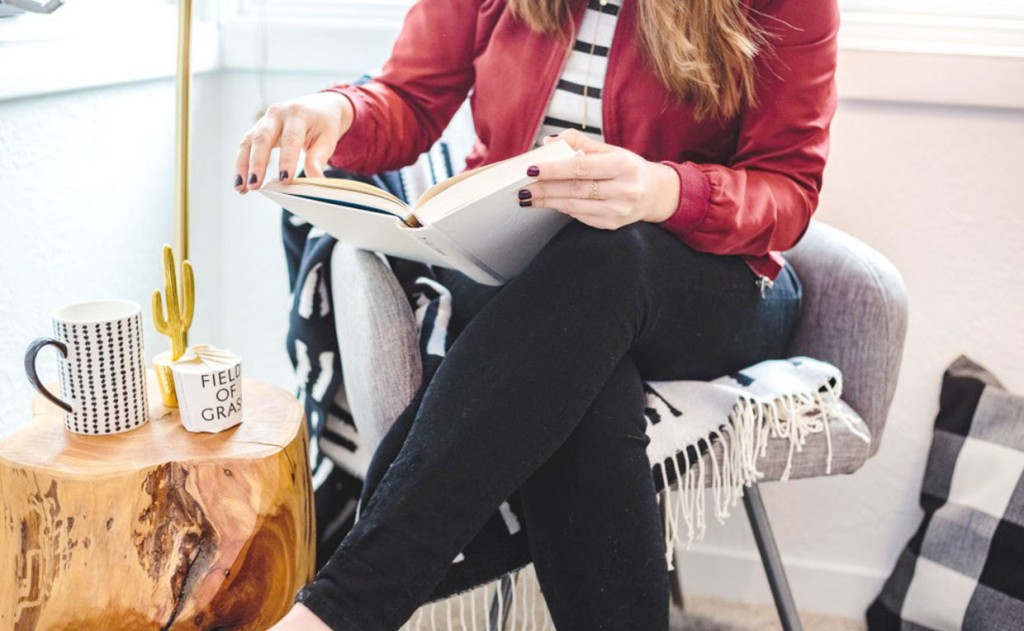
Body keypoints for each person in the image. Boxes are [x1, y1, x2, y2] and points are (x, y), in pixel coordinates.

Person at [234, 0, 838, 628]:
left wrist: (662, 191)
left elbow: (788, 188)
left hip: (708, 281)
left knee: (604, 256)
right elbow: (409, 100)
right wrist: (336, 111)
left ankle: (340, 611)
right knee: (586, 389)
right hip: (523, 283)